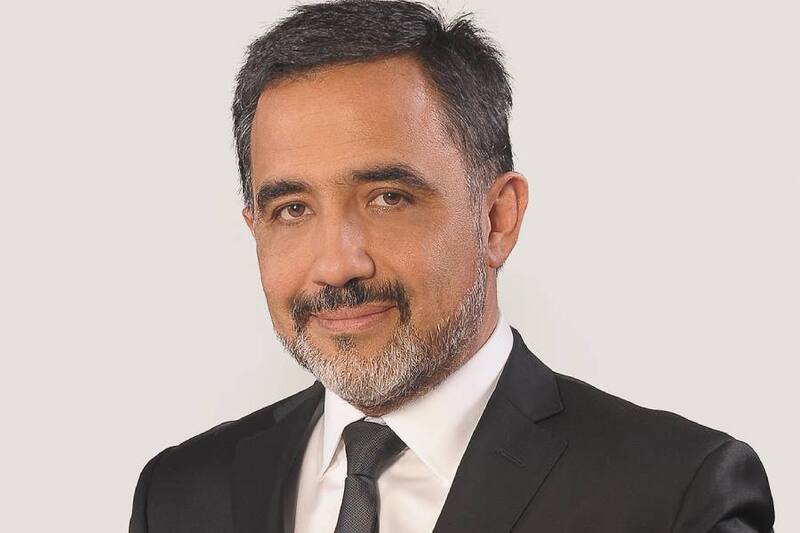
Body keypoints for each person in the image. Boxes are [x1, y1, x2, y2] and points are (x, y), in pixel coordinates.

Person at [129, 1, 775, 532]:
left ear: (497, 218)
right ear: (255, 230)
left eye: (389, 198)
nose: (337, 264)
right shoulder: (180, 497)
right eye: (292, 210)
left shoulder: (676, 497)